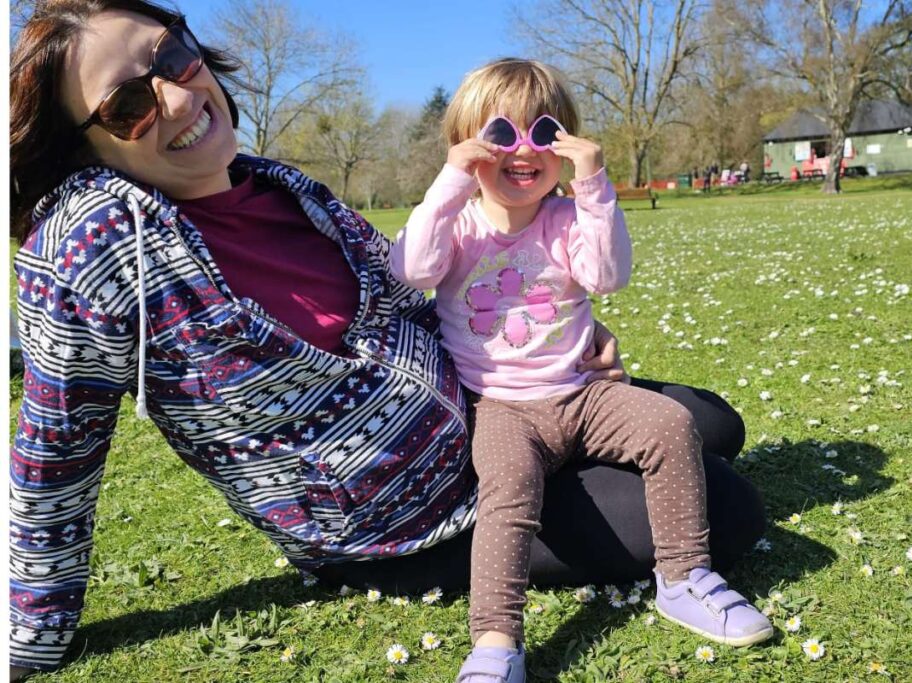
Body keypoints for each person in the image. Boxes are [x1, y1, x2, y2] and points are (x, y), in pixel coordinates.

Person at [9, 1, 766, 678]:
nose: (176, 96)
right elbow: (56, 450)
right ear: (85, 148)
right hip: (404, 518)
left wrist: (554, 319)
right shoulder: (99, 248)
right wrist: (26, 639)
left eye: (172, 57)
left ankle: (571, 450)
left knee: (711, 422)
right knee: (727, 508)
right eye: (128, 105)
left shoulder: (280, 185)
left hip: (484, 403)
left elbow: (408, 288)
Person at [389, 59, 772, 683]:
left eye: (541, 133)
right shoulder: (457, 224)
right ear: (467, 145)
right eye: (498, 134)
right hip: (501, 405)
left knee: (672, 425)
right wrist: (450, 182)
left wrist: (593, 184)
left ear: (562, 146)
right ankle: (495, 640)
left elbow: (607, 275)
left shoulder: (567, 219)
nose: (521, 150)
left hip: (581, 393)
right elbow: (412, 266)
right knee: (508, 489)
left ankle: (683, 577)